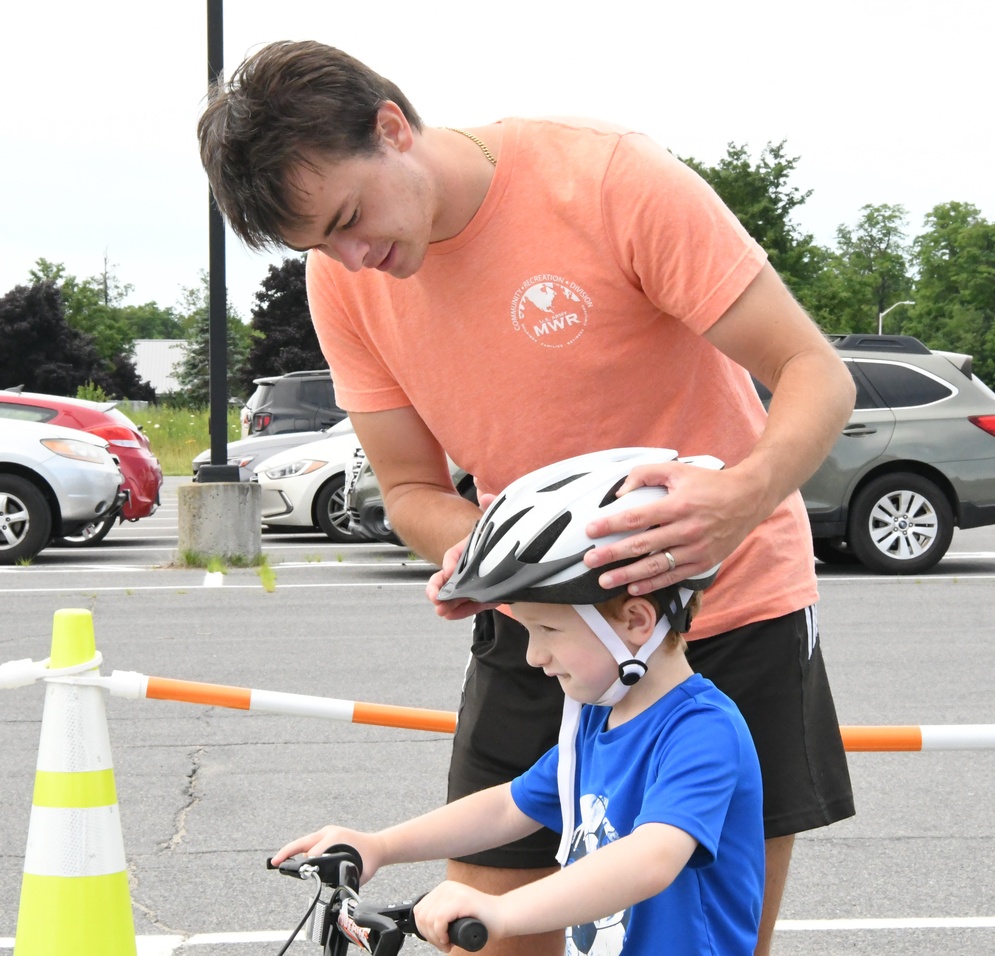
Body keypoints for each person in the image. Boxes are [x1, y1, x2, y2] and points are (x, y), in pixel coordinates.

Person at [198, 39, 856, 956]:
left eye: (350, 217)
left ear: (392, 127)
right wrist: (484, 556)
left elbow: (815, 371)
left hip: (727, 602)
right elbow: (411, 487)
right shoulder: (343, 282)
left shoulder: (608, 178)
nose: (354, 257)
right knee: (485, 932)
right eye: (322, 244)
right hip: (545, 623)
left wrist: (740, 498)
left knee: (702, 930)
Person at [271, 449, 766, 955]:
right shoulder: (595, 723)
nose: (534, 655)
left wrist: (503, 911)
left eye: (548, 629)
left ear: (636, 621)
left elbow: (651, 858)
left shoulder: (701, 731)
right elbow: (508, 808)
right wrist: (379, 845)